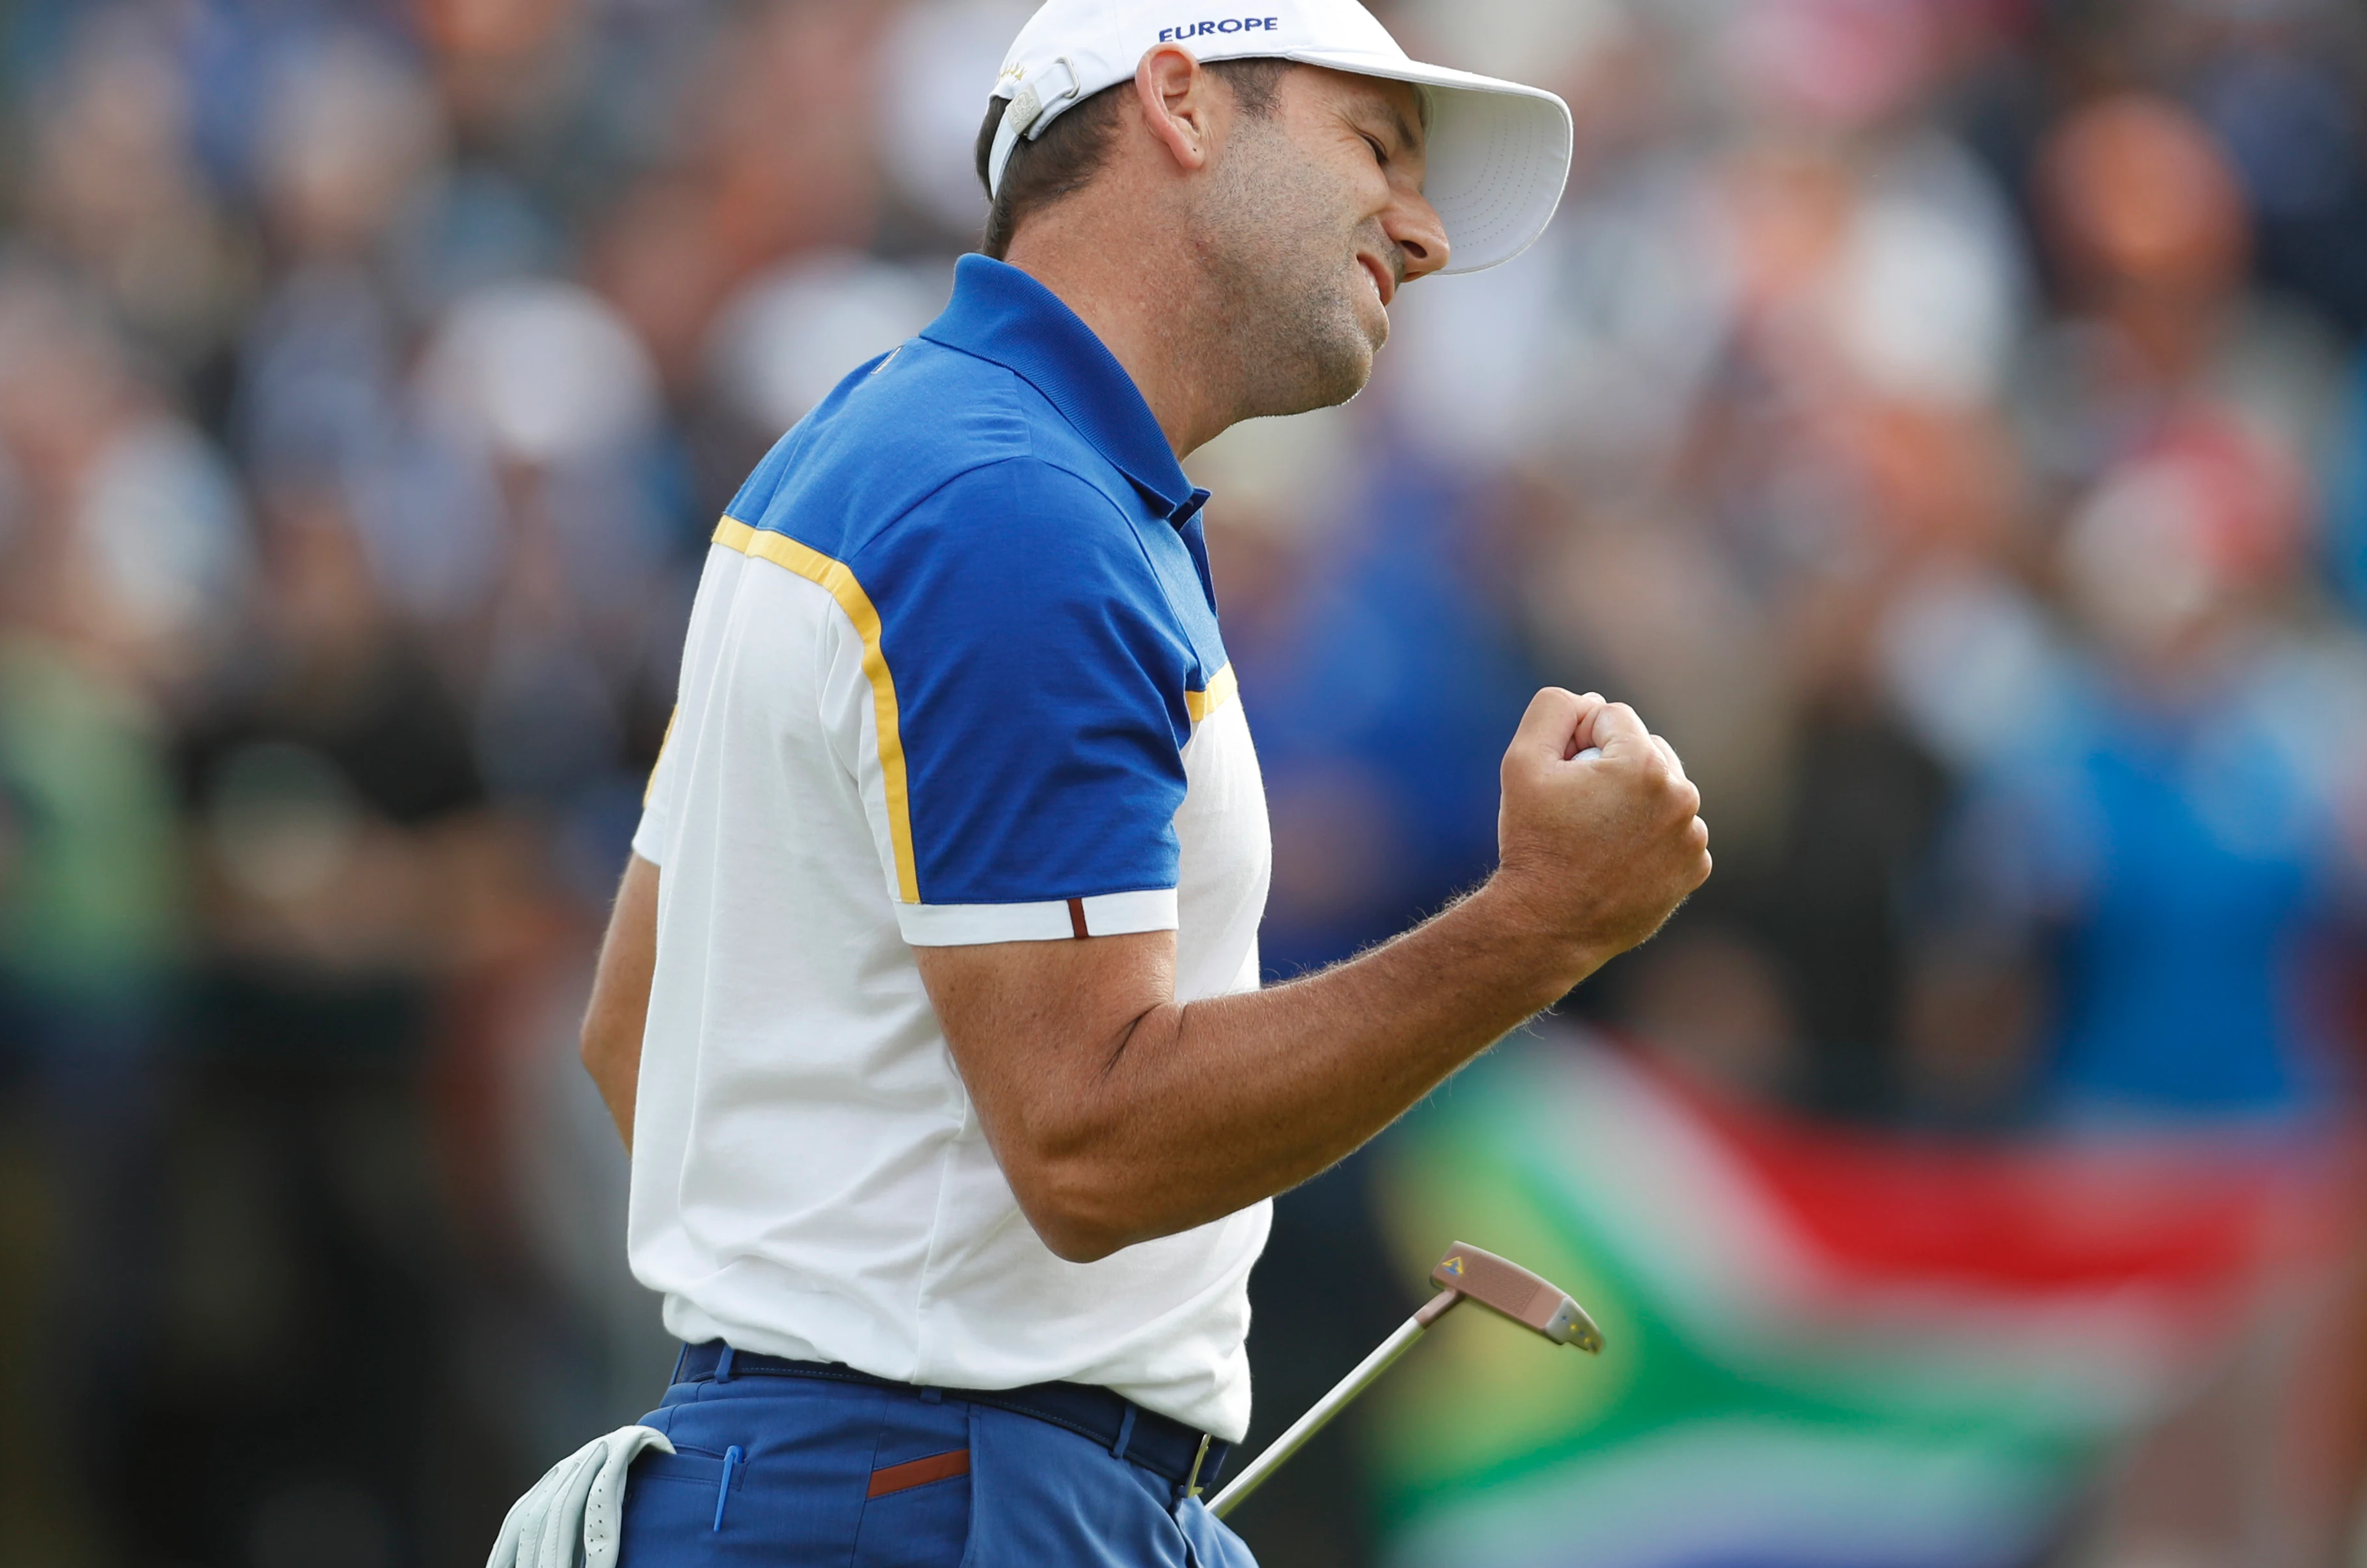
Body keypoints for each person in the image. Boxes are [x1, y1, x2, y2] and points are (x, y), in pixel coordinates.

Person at [564, 2, 1710, 1563]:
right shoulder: (1012, 508)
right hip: (926, 1504)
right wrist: (1540, 927)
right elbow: (1087, 1143)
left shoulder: (892, 448)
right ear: (1179, 99)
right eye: (1376, 148)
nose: (1429, 234)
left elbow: (641, 1034)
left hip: (882, 1484)